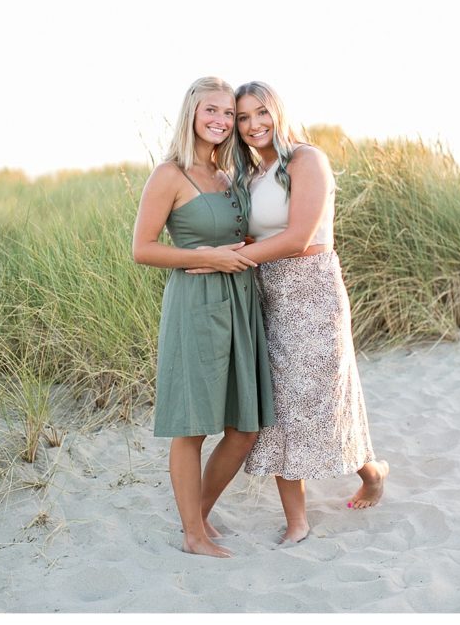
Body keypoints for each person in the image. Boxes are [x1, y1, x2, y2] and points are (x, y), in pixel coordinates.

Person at [205, 80, 389, 544]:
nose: (252, 125)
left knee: (326, 403)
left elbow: (299, 237)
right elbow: (257, 237)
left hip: (314, 293)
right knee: (282, 408)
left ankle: (372, 473)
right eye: (242, 118)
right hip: (267, 293)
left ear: (278, 112)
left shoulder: (307, 160)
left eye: (260, 113)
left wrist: (232, 257)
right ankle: (297, 520)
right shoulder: (248, 175)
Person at [132, 76, 275, 558]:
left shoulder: (230, 174)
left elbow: (242, 234)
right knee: (192, 426)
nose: (222, 120)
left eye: (229, 114)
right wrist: (211, 258)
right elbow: (142, 249)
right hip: (195, 304)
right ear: (192, 113)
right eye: (211, 110)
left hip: (240, 303)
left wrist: (246, 249)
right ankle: (193, 534)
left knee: (245, 426)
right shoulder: (169, 174)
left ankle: (198, 516)